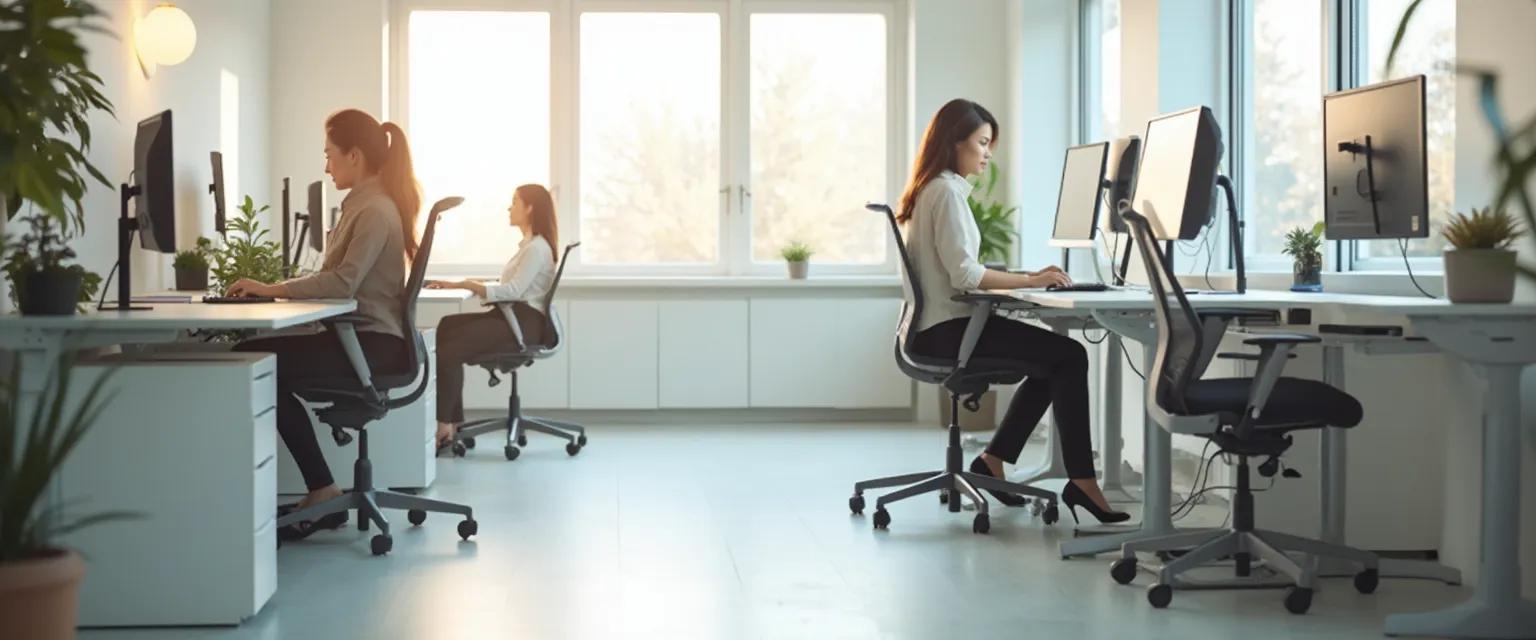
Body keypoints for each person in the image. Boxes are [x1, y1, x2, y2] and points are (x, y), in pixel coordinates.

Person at [899, 98, 1129, 524]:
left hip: (933, 328)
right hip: (948, 331)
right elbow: (966, 274)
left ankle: (994, 460)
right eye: (982, 143)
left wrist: (1023, 278)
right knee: (1069, 356)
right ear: (955, 143)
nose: (987, 154)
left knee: (1053, 360)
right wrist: (1029, 281)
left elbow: (958, 271)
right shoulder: (946, 192)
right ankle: (1082, 482)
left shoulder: (931, 189)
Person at [228, 108, 422, 539]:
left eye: (329, 154)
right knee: (258, 352)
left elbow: (342, 282)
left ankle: (322, 487)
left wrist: (270, 288)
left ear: (354, 155)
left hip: (372, 345)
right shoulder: (366, 205)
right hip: (368, 339)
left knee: (252, 359)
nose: (326, 165)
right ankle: (320, 486)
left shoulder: (373, 210)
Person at [423, 184, 559, 446]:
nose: (510, 207)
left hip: (522, 323)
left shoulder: (536, 248)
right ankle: (453, 423)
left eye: (515, 201)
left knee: (450, 348)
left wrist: (467, 285)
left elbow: (515, 290)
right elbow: (510, 283)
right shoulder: (530, 246)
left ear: (529, 208)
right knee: (447, 326)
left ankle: (444, 427)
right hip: (515, 318)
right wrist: (461, 283)